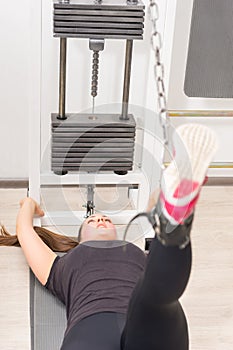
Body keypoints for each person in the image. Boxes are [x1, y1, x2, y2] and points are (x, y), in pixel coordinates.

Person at [0, 123, 218, 350]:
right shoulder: (62, 266)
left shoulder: (140, 254)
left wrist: (160, 200)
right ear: (80, 240)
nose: (100, 219)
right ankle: (173, 215)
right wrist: (28, 204)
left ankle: (174, 216)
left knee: (156, 292)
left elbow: (166, 266)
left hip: (148, 316)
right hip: (93, 324)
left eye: (105, 218)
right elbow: (25, 233)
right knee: (155, 289)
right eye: (92, 220)